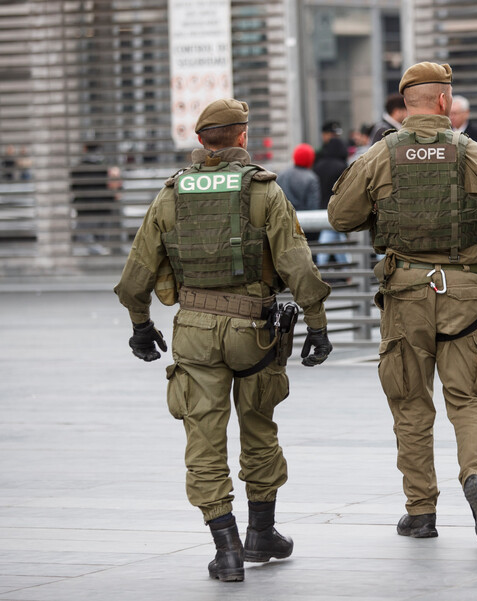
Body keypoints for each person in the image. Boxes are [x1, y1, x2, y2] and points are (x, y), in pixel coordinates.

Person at [114, 98, 333, 581]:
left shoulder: (169, 195)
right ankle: (262, 533)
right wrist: (316, 324)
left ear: (199, 141)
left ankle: (227, 547)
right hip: (253, 330)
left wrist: (140, 325)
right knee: (259, 427)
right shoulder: (263, 190)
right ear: (241, 138)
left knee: (204, 439)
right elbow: (298, 265)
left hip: (192, 330)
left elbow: (136, 278)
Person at [327, 62, 477, 544]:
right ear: (444, 102)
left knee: (410, 402)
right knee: (470, 398)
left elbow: (340, 215)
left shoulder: (380, 155)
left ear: (406, 104)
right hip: (462, 289)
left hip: (405, 291)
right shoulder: (473, 152)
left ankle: (421, 511)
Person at [313, 122, 350, 265]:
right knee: (335, 239)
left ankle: (346, 269)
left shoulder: (319, 162)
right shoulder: (341, 165)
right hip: (337, 208)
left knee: (334, 240)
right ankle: (348, 270)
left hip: (322, 206)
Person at [277, 143, 321, 216]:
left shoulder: (282, 175)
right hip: (304, 222)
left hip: (285, 219)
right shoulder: (311, 178)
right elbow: (313, 206)